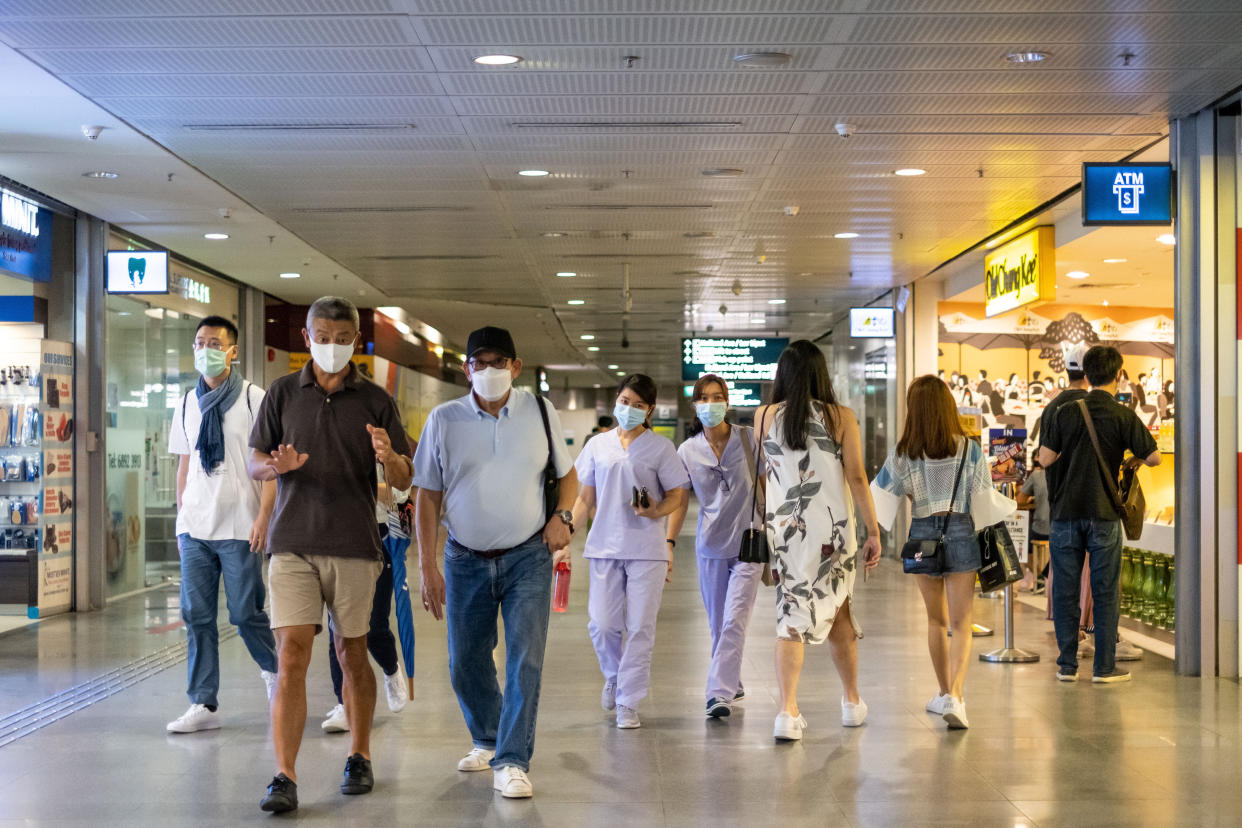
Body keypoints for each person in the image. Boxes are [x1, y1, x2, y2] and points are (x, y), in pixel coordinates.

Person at [248, 296, 413, 813]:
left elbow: (406, 479)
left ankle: (359, 753)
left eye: (344, 339)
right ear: (307, 338)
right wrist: (277, 467)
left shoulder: (376, 400)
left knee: (351, 652)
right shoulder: (281, 394)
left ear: (356, 341)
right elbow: (254, 463)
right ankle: (284, 775)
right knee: (291, 653)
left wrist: (389, 459)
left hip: (354, 545)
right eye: (324, 336)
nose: (333, 346)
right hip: (292, 543)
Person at [414, 326, 577, 800]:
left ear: (516, 367)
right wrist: (427, 566)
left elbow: (568, 479)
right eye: (478, 363)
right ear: (466, 368)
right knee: (465, 661)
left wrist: (563, 518)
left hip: (528, 555)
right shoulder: (443, 419)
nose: (488, 371)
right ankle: (487, 736)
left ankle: (511, 759)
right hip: (464, 558)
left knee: (525, 659)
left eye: (498, 362)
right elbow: (427, 497)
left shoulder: (539, 411)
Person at [754, 340, 881, 741]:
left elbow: (764, 475)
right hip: (834, 533)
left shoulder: (763, 416)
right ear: (821, 374)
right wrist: (874, 530)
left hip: (786, 533)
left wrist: (769, 519)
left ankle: (787, 713)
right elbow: (858, 477)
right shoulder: (840, 416)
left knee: (790, 617)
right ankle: (851, 701)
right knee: (840, 611)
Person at [873, 376, 1012, 730]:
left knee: (935, 620)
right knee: (961, 623)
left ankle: (942, 691)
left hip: (922, 534)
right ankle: (956, 696)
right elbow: (982, 499)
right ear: (948, 407)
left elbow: (883, 494)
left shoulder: (904, 452)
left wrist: (916, 497)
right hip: (962, 530)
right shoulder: (969, 449)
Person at [165, 315, 279, 734]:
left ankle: (275, 674)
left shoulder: (254, 399)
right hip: (195, 527)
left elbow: (269, 469)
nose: (205, 349)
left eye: (214, 342)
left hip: (240, 525)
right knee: (196, 615)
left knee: (246, 613)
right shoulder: (186, 403)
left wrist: (264, 517)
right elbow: (184, 466)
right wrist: (181, 520)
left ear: (232, 351)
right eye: (199, 342)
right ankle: (203, 702)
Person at [567, 373, 690, 730]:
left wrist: (655, 511)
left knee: (639, 627)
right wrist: (566, 535)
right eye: (624, 402)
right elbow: (584, 497)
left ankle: (628, 701)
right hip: (604, 546)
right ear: (616, 401)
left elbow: (677, 495)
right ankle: (614, 675)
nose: (630, 409)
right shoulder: (597, 445)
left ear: (649, 410)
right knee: (601, 624)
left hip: (646, 549)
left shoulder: (660, 448)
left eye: (638, 405)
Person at [1038, 345, 1161, 684]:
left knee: (1065, 589)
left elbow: (1045, 458)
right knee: (1105, 590)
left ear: (1086, 375)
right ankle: (1104, 668)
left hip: (1065, 513)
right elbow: (1154, 459)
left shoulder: (1065, 411)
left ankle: (1066, 666)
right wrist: (1132, 459)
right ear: (1119, 376)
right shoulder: (1123, 414)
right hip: (1104, 514)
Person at [667, 374, 764, 719]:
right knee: (717, 622)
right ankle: (732, 680)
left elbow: (769, 483)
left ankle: (717, 693)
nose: (711, 404)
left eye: (717, 396)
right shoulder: (687, 450)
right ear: (695, 405)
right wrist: (669, 542)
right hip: (710, 545)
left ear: (727, 401)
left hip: (750, 542)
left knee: (735, 618)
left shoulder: (750, 439)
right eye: (704, 398)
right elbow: (679, 501)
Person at [321, 468, 412, 733]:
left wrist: (362, 486)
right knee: (336, 626)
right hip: (336, 536)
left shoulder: (383, 439)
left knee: (373, 626)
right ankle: (344, 702)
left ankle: (391, 668)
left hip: (379, 537)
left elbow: (402, 497)